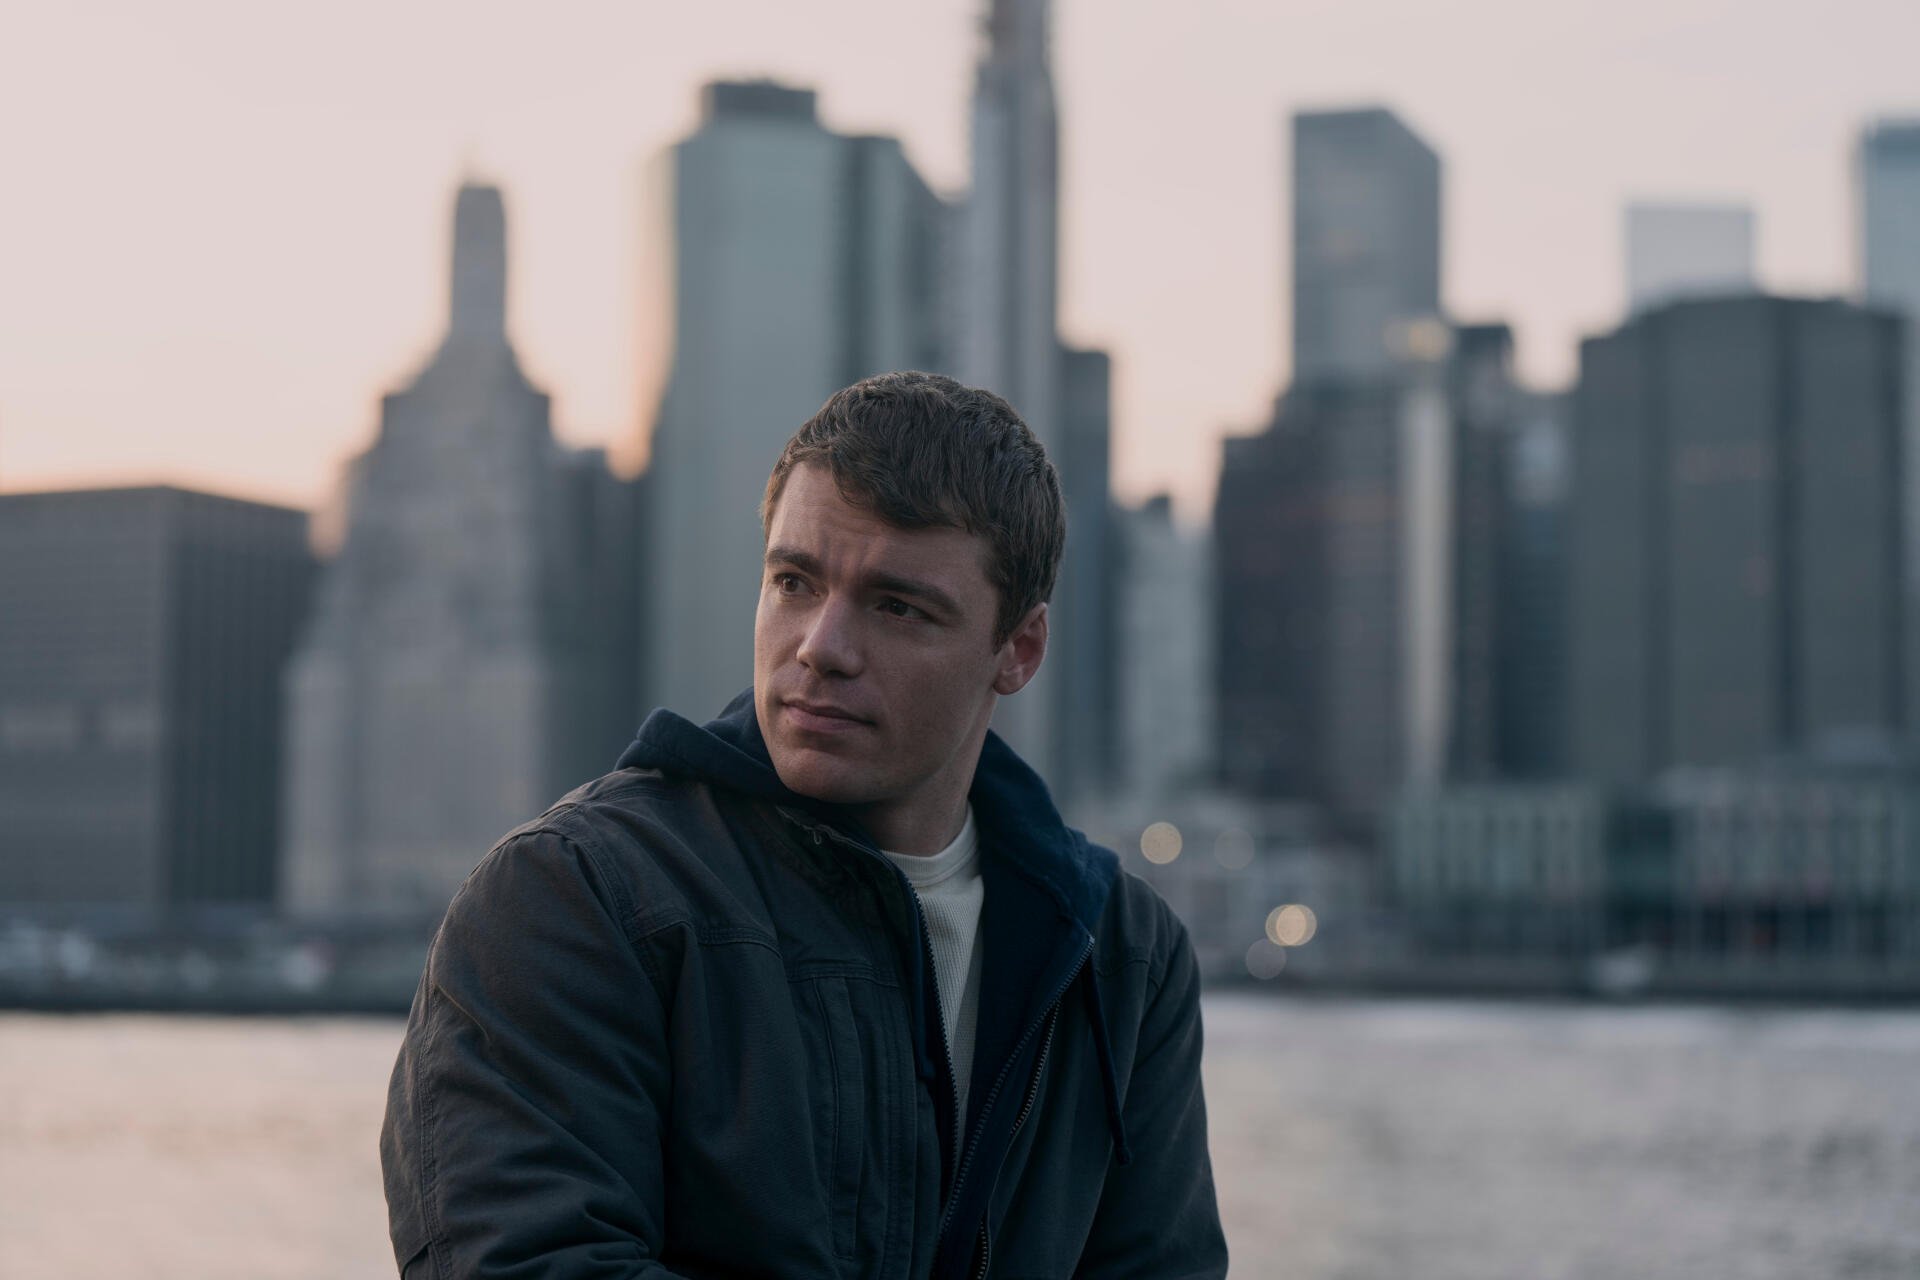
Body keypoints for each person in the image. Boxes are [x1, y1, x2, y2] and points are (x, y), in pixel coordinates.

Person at [380, 371, 1228, 1278]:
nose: (821, 648)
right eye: (794, 581)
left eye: (898, 607)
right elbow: (524, 1263)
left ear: (1017, 649)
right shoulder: (573, 899)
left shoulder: (1123, 955)